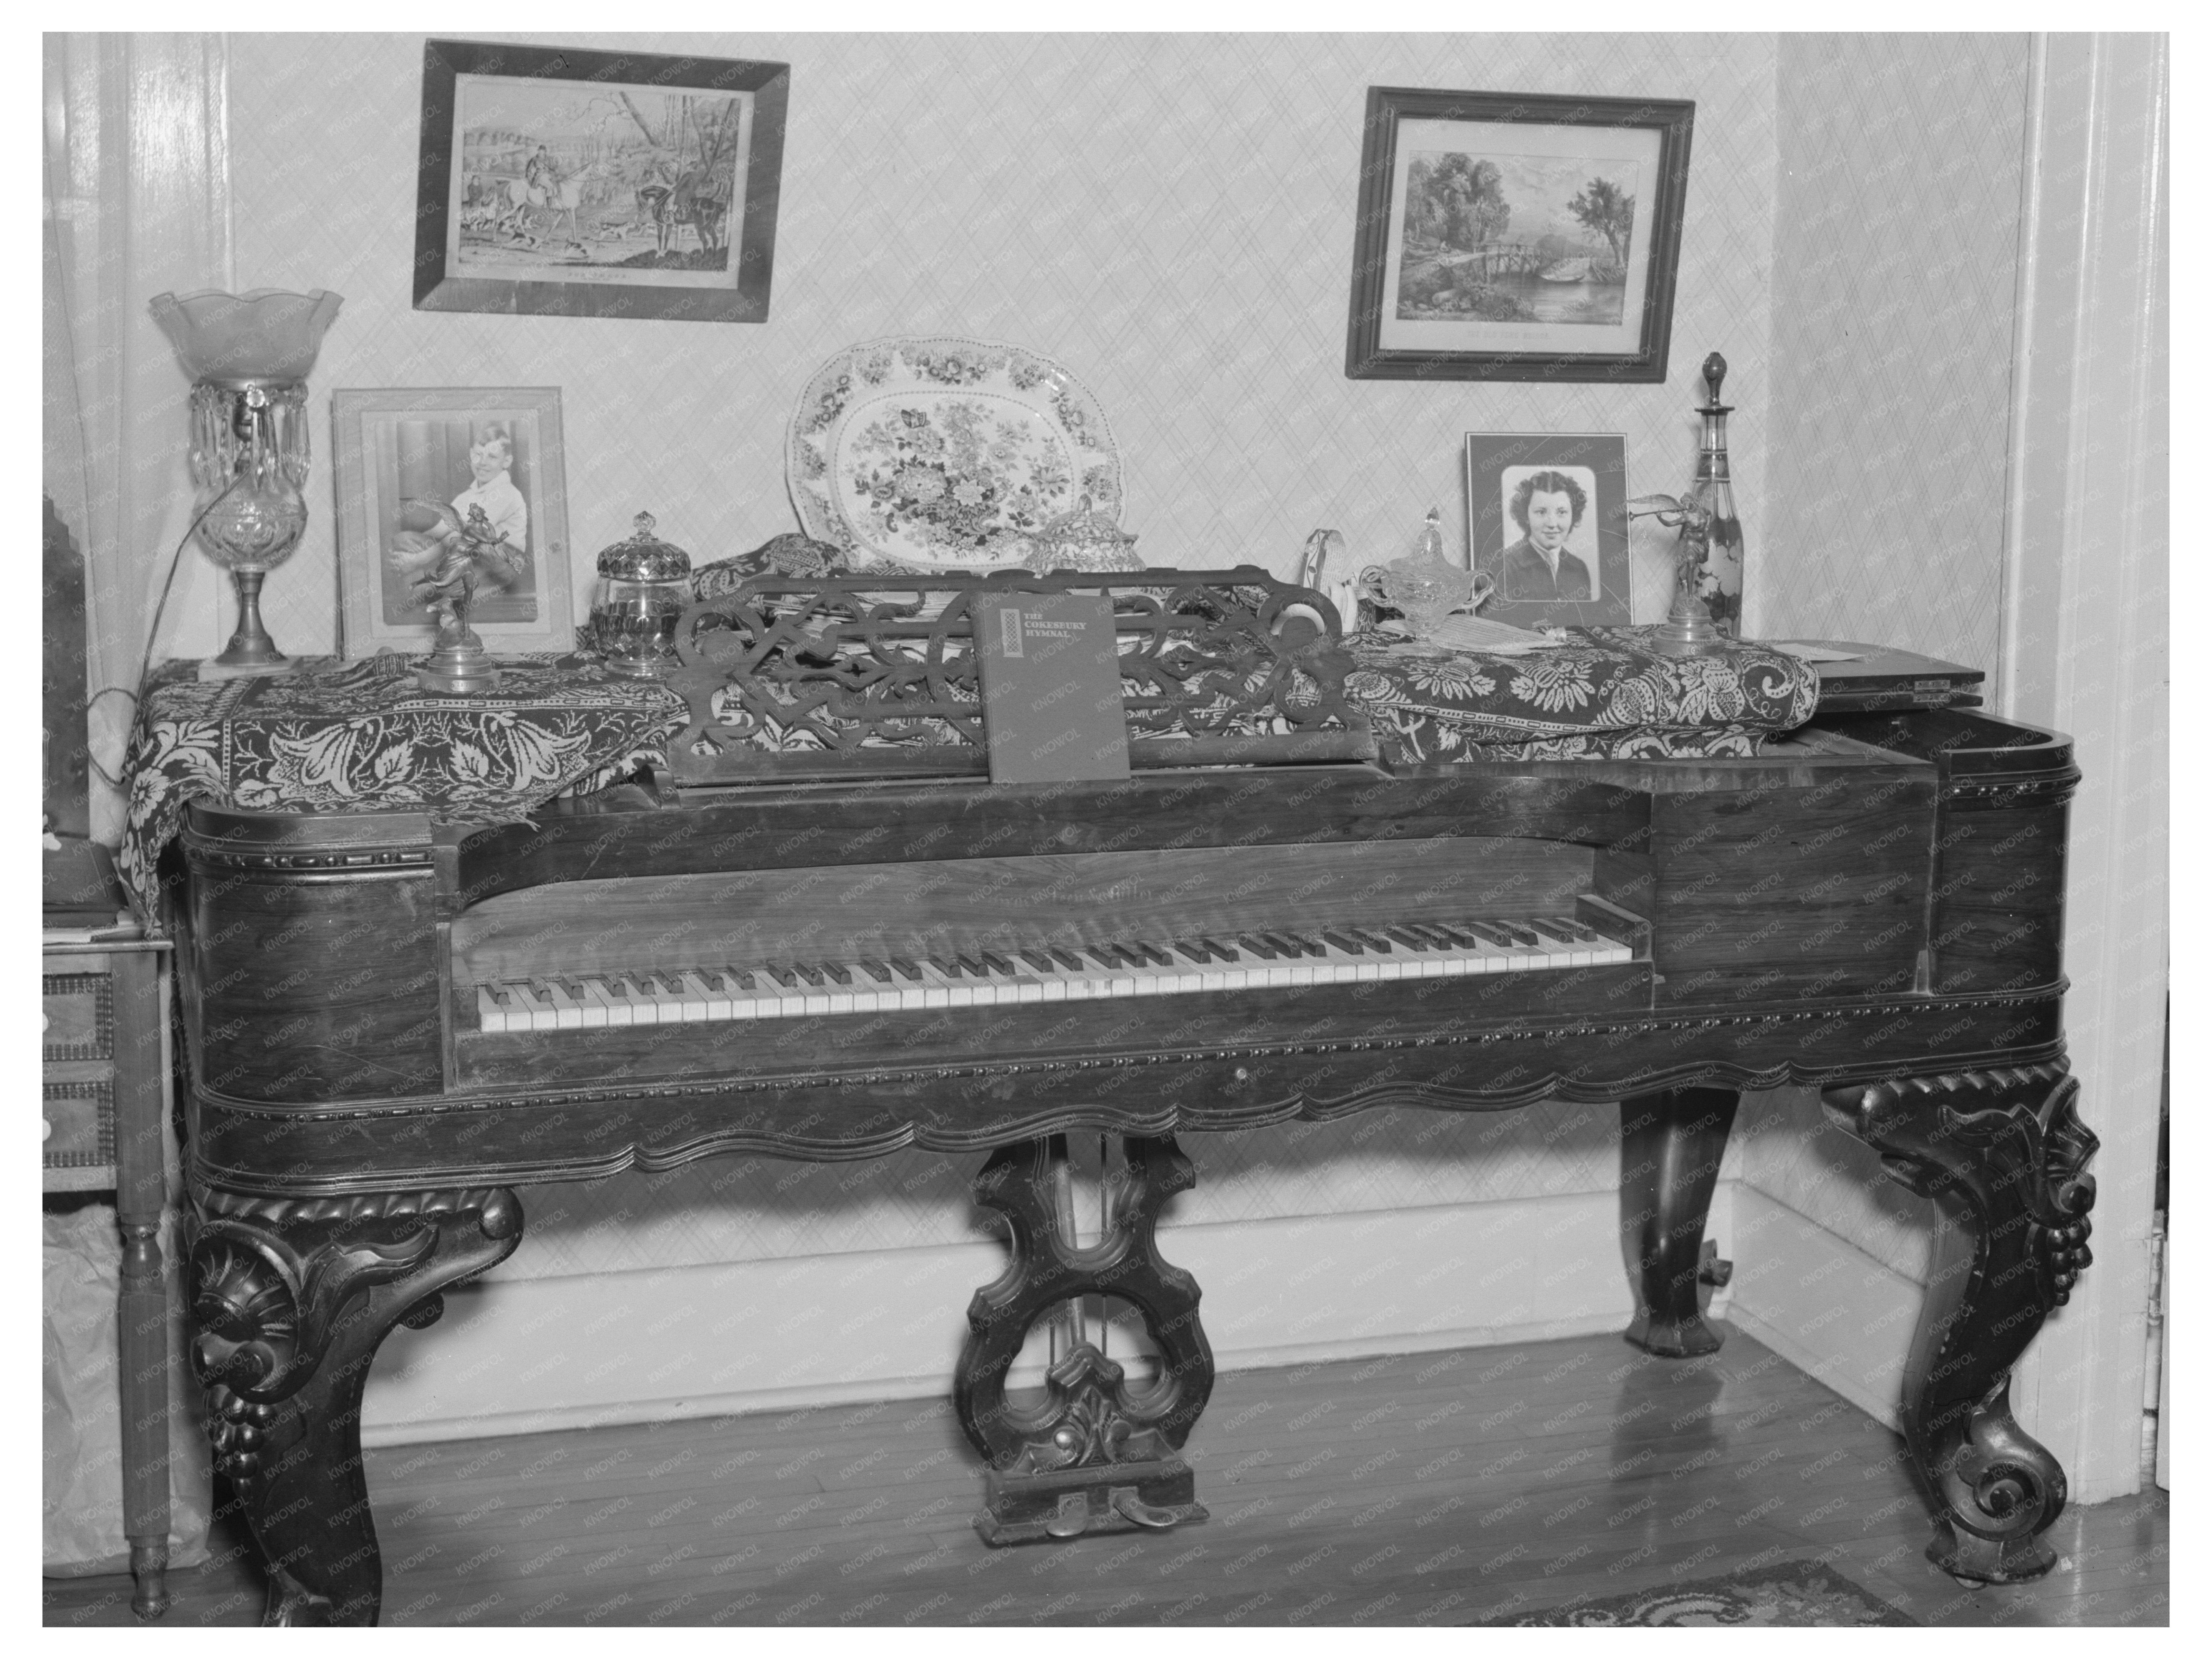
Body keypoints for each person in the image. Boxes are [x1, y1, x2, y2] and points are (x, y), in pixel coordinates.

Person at [1500, 469, 1594, 602]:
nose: (1552, 524)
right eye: (1541, 512)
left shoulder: (1579, 569)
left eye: (1562, 512)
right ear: (1526, 516)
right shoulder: (1506, 566)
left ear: (1573, 516)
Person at [450, 424, 528, 556]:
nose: (482, 463)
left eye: (492, 457)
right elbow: (442, 528)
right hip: (477, 552)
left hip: (505, 562)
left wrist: (420, 558)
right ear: (471, 455)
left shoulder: (507, 493)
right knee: (406, 539)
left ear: (507, 461)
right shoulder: (467, 495)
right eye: (478, 455)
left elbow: (472, 534)